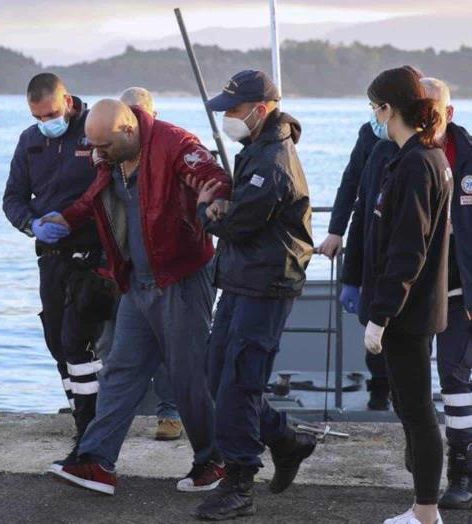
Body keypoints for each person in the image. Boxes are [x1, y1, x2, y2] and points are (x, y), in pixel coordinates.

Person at [44, 99, 232, 495]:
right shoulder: (111, 154)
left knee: (187, 377)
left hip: (180, 279)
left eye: (104, 147)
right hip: (136, 283)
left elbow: (212, 176)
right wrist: (66, 218)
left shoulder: (174, 142)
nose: (97, 155)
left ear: (128, 131)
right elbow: (97, 194)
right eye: (93, 147)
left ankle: (213, 460)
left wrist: (211, 202)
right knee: (120, 371)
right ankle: (97, 461)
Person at [189, 70, 316, 520]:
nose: (227, 117)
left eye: (234, 110)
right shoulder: (257, 150)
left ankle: (240, 481)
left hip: (267, 282)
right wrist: (228, 207)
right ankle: (286, 440)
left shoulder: (272, 159)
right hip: (244, 277)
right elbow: (244, 213)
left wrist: (207, 208)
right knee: (215, 371)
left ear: (260, 110)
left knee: (240, 379)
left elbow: (241, 224)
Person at [2, 74, 114, 463]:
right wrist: (31, 224)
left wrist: (70, 218)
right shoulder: (30, 141)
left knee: (76, 342)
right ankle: (83, 424)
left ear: (66, 100)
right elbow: (12, 198)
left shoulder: (94, 129)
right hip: (50, 255)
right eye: (37, 116)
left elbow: (106, 185)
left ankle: (91, 434)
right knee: (55, 342)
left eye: (50, 113)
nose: (46, 122)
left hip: (91, 253)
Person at [362, 67, 451, 524]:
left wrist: (381, 314)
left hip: (407, 314)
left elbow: (408, 248)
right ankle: (422, 507)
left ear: (387, 108)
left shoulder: (418, 162)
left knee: (417, 411)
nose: (374, 117)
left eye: (374, 108)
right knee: (410, 406)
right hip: (410, 310)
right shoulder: (413, 157)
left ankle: (425, 511)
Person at [322, 67, 423, 411]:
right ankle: (379, 387)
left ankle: (406, 394)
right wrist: (336, 230)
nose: (375, 114)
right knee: (373, 325)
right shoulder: (372, 140)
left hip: (411, 255)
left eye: (377, 106)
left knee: (408, 331)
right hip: (372, 244)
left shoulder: (424, 152)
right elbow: (352, 184)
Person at [420, 78, 472, 511]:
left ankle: (463, 468)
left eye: (431, 107)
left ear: (448, 113)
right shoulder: (400, 156)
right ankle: (444, 462)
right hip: (424, 291)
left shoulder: (470, 157)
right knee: (435, 381)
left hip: (464, 289)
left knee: (459, 381)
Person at [119, 86, 182, 442]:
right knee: (123, 350)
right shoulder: (114, 155)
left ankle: (171, 413)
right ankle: (115, 420)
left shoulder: (172, 147)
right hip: (131, 268)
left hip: (171, 267)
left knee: (172, 346)